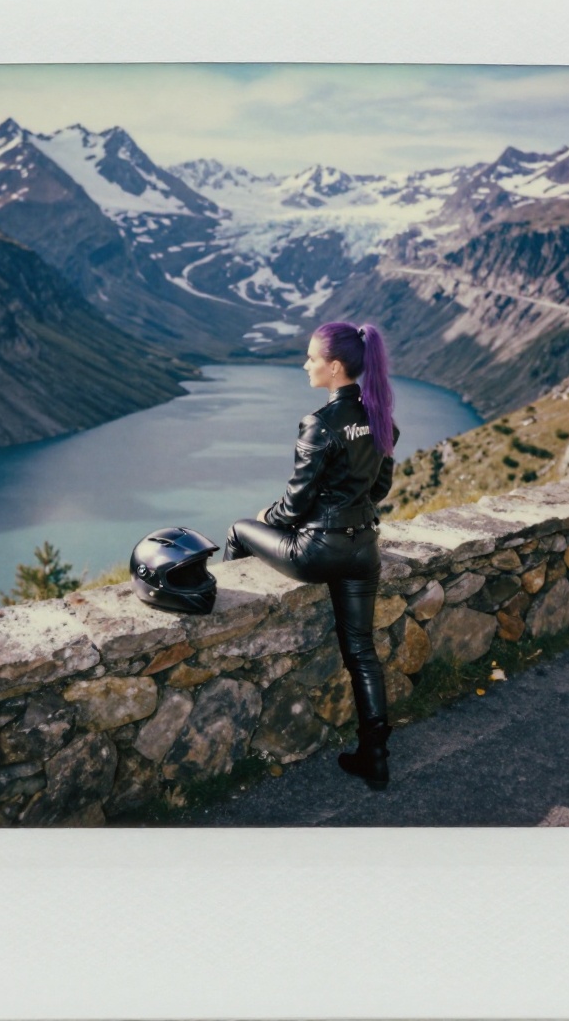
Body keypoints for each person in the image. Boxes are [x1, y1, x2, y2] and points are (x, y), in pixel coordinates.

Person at [223, 320, 399, 790]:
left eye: (312, 358)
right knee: (361, 653)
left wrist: (267, 514)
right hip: (364, 550)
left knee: (239, 530)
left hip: (316, 553)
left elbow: (294, 505)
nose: (305, 364)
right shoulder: (380, 416)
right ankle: (375, 758)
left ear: (334, 367)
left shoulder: (318, 424)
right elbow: (379, 489)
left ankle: (226, 627)